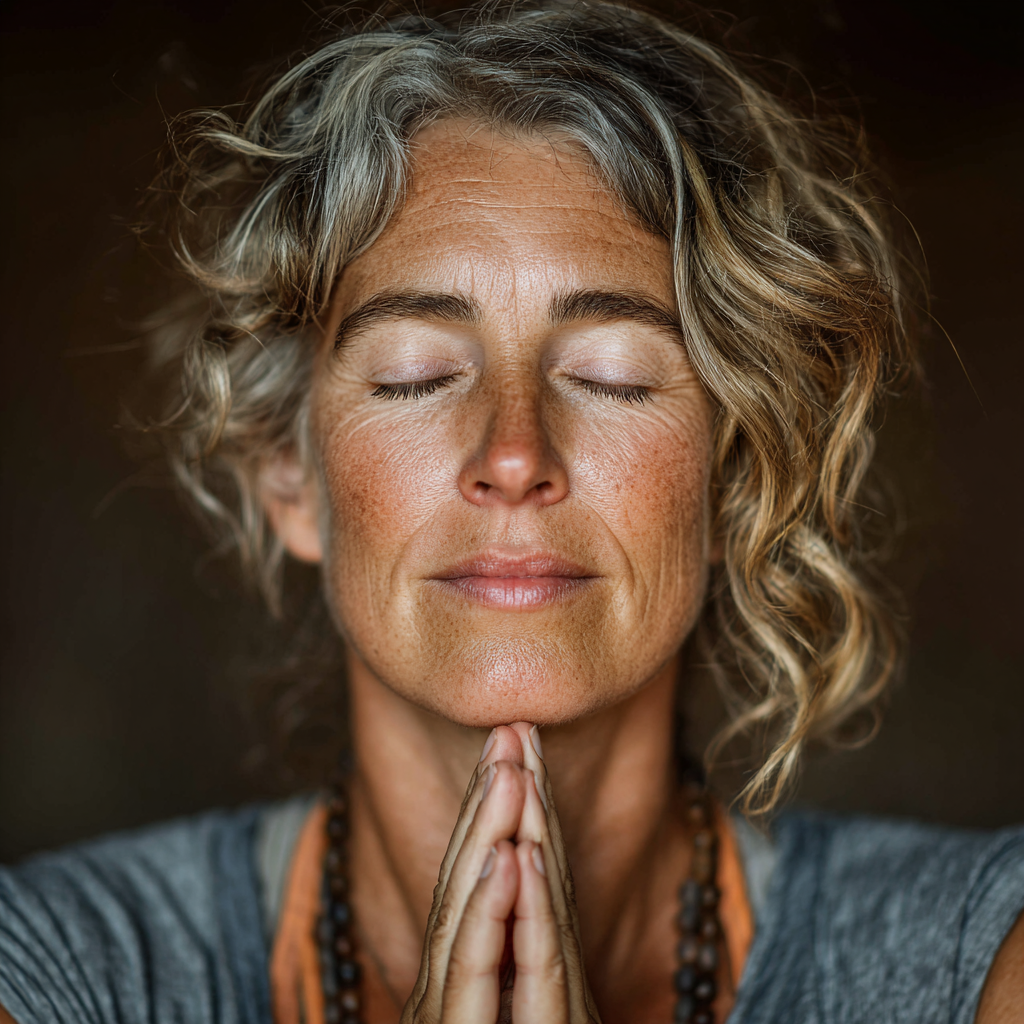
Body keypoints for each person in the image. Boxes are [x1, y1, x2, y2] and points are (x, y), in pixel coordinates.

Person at [1, 3, 1021, 1022]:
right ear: (289, 473)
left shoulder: (981, 966)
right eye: (414, 373)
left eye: (614, 374)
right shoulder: (52, 972)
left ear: (733, 475)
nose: (514, 454)